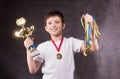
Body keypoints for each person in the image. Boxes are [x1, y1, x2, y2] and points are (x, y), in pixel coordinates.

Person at [24, 11, 99, 79]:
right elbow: (33, 69)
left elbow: (93, 48)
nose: (53, 25)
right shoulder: (42, 46)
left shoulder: (71, 42)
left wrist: (90, 28)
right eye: (49, 23)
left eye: (57, 22)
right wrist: (28, 49)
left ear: (63, 25)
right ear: (46, 28)